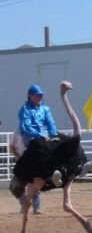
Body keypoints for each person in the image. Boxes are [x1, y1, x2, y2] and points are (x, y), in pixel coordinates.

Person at [16, 84, 60, 214]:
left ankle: (58, 171)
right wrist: (41, 135)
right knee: (34, 170)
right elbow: (26, 127)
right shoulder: (24, 110)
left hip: (43, 138)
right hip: (29, 139)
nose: (40, 97)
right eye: (37, 95)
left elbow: (50, 122)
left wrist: (53, 135)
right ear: (30, 96)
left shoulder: (45, 109)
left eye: (41, 95)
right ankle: (32, 202)